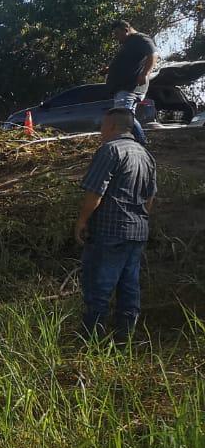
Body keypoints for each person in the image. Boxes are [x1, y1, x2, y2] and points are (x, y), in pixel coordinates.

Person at [74, 108, 157, 341]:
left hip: (110, 232)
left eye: (102, 126)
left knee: (98, 289)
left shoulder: (110, 150)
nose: (101, 131)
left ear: (111, 126)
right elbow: (150, 198)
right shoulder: (145, 155)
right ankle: (124, 340)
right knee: (129, 288)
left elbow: (95, 192)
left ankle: (92, 341)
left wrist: (82, 221)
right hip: (137, 232)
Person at [106, 20, 156, 145]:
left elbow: (153, 55)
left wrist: (144, 74)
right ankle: (136, 142)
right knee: (125, 116)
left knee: (123, 116)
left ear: (126, 30)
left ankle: (141, 142)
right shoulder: (128, 44)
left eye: (117, 33)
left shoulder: (141, 39)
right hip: (122, 88)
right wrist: (109, 69)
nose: (116, 37)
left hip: (130, 87)